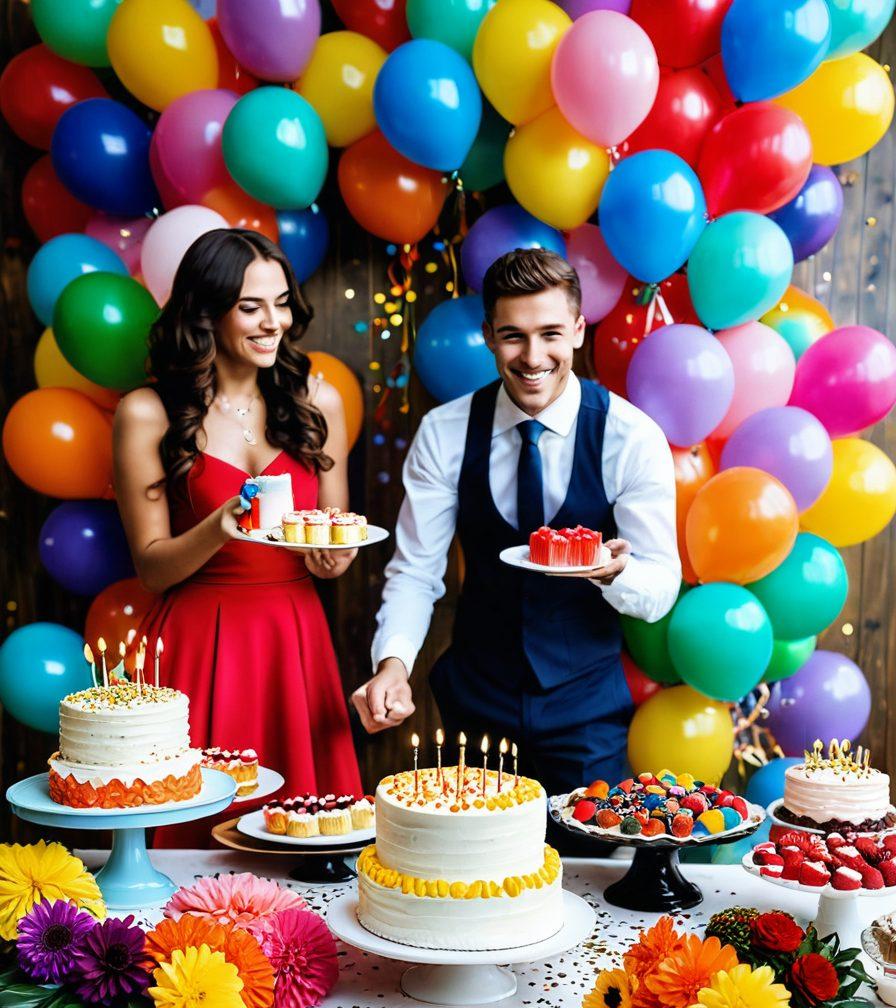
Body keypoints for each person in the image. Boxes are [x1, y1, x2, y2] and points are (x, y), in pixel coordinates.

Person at [352, 248, 681, 803]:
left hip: (587, 708)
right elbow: (415, 572)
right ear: (487, 335)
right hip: (476, 701)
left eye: (551, 333)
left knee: (584, 876)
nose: (533, 357)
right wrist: (392, 665)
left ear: (578, 330)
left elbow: (659, 588)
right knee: (473, 876)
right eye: (513, 336)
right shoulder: (445, 432)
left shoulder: (629, 435)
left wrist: (612, 573)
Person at [114, 228, 361, 847]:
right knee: (194, 832)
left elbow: (333, 538)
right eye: (251, 307)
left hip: (294, 637)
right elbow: (151, 568)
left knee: (303, 832)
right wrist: (219, 526)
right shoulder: (148, 413)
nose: (273, 321)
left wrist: (334, 561)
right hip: (196, 636)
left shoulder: (318, 401)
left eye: (281, 303)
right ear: (207, 311)